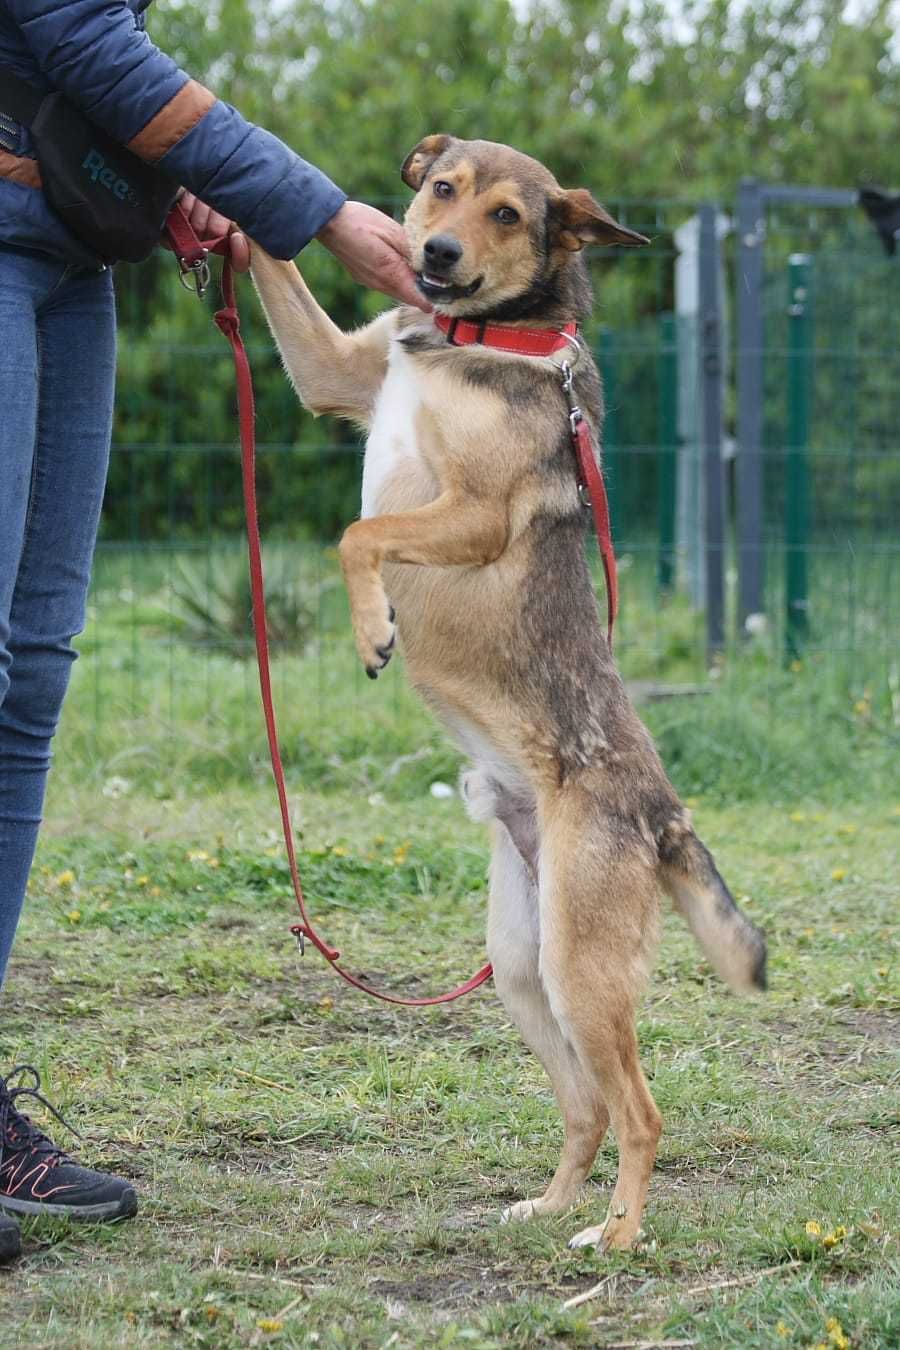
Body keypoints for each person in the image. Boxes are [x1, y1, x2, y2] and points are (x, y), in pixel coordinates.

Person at [0, 0, 425, 1265]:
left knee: (28, 682)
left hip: (67, 253)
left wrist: (153, 178)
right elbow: (74, 28)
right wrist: (318, 207)